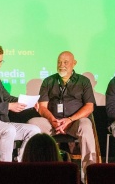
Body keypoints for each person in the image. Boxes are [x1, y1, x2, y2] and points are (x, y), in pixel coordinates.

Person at [28, 51, 97, 182]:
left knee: (86, 125)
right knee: (32, 123)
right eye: (59, 62)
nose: (62, 65)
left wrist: (70, 120)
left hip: (74, 122)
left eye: (66, 62)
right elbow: (42, 107)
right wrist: (52, 120)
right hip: (52, 122)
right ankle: (30, 171)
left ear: (74, 63)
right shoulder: (49, 81)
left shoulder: (83, 81)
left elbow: (89, 107)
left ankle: (89, 174)